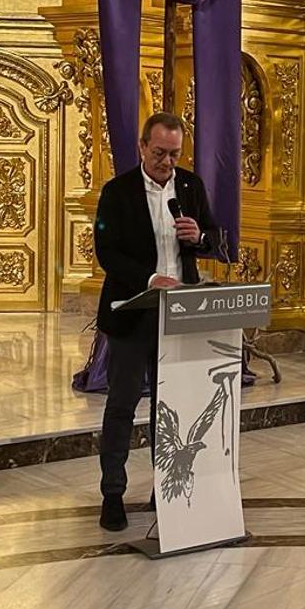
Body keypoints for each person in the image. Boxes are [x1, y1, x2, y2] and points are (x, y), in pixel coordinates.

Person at [94, 112, 219, 531]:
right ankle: (112, 492)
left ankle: (165, 488)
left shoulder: (190, 187)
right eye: (160, 153)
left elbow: (216, 238)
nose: (168, 162)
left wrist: (198, 237)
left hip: (178, 315)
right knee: (122, 406)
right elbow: (107, 252)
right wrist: (150, 278)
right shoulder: (118, 191)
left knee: (171, 409)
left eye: (175, 154)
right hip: (134, 311)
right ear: (143, 147)